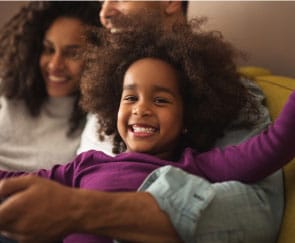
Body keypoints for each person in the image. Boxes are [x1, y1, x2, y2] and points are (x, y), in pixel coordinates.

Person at [0, 2, 283, 243]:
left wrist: (79, 208)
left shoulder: (220, 97)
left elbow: (256, 214)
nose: (104, 12)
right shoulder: (104, 93)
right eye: (130, 98)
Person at [0, 1, 102, 171]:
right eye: (48, 49)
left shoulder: (96, 123)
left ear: (99, 58)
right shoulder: (8, 89)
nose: (55, 65)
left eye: (72, 53)